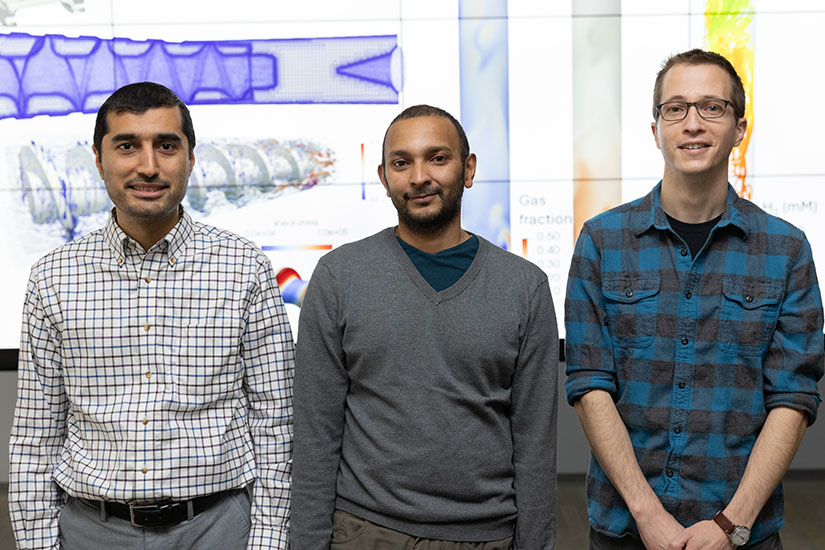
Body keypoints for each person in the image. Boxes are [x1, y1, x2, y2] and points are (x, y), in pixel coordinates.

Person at [9, 82, 294, 550]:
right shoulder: (52, 277)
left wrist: (268, 541)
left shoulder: (245, 268)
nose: (148, 166)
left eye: (166, 146)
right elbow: (35, 437)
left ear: (191, 158)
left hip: (219, 528)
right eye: (127, 146)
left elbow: (277, 424)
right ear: (99, 162)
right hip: (89, 531)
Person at [565, 48, 824, 550]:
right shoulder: (602, 241)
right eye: (675, 108)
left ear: (739, 128)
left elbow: (793, 398)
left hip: (742, 533)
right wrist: (648, 515)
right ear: (656, 129)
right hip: (624, 528)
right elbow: (589, 384)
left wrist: (731, 524)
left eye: (712, 107)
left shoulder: (787, 249)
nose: (692, 123)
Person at [291, 105, 558, 549]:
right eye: (402, 162)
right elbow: (316, 436)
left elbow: (535, 445)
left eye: (437, 158)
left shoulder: (524, 287)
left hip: (485, 536)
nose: (419, 177)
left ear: (468, 169)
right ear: (383, 177)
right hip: (365, 533)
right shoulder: (339, 276)